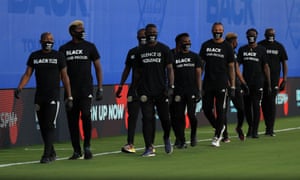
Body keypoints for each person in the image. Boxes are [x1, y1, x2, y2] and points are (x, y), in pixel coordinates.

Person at [14, 32, 73, 163]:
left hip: (53, 96)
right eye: (46, 39)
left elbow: (65, 77)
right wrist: (20, 87)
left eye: (51, 39)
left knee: (50, 124)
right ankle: (52, 152)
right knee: (43, 125)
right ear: (40, 41)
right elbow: (28, 74)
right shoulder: (34, 56)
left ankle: (46, 155)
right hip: (39, 96)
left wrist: (69, 97)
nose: (48, 41)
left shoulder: (58, 56)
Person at [59, 20, 104, 160]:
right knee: (72, 121)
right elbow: (62, 72)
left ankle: (87, 147)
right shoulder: (64, 49)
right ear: (72, 32)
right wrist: (68, 94)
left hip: (86, 89)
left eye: (83, 29)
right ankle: (76, 150)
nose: (82, 31)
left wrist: (100, 87)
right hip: (70, 91)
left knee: (86, 115)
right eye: (79, 29)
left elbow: (98, 67)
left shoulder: (90, 47)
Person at [134, 23, 174, 157]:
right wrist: (134, 87)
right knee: (147, 118)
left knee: (165, 119)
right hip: (145, 91)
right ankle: (149, 147)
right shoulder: (140, 51)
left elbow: (169, 69)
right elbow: (137, 72)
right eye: (149, 32)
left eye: (154, 32)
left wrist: (171, 86)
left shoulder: (164, 49)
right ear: (145, 34)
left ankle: (166, 137)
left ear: (157, 33)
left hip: (161, 90)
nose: (152, 34)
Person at [199, 22, 236, 147]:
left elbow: (231, 67)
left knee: (221, 111)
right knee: (206, 109)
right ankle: (219, 128)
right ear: (212, 31)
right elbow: (201, 66)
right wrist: (198, 82)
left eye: (219, 30)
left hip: (222, 83)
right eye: (215, 29)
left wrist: (233, 86)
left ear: (223, 31)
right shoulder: (206, 45)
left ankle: (217, 137)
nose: (217, 31)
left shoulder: (227, 47)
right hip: (208, 83)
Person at [115, 28, 146, 153]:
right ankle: (130, 144)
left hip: (149, 89)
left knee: (147, 117)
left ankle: (150, 144)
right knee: (132, 116)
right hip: (134, 89)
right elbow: (127, 69)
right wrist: (121, 86)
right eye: (140, 36)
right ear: (137, 37)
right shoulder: (132, 52)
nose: (142, 38)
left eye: (144, 35)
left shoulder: (154, 52)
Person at [237, 28, 271, 138]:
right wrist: (241, 80)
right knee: (247, 107)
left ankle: (255, 130)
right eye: (249, 35)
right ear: (246, 36)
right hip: (246, 83)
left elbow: (266, 67)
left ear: (256, 36)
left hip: (258, 82)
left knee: (256, 106)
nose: (251, 37)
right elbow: (237, 65)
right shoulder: (242, 49)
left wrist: (269, 83)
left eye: (253, 35)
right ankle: (250, 127)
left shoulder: (261, 50)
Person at [172, 33, 202, 148]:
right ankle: (182, 140)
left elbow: (198, 74)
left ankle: (193, 134)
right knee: (179, 116)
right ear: (179, 44)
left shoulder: (195, 57)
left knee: (191, 115)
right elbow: (172, 75)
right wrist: (172, 89)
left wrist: (199, 90)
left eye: (188, 41)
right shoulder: (174, 58)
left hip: (192, 90)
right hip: (179, 91)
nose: (187, 43)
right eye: (184, 42)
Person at [258, 28, 288, 137]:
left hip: (275, 79)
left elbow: (284, 62)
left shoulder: (279, 46)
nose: (271, 35)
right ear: (265, 35)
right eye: (269, 34)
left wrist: (284, 79)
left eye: (273, 34)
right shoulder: (260, 46)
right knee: (264, 104)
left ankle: (270, 128)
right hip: (261, 79)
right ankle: (267, 126)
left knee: (271, 103)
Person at [224, 33, 249, 141]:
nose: (237, 43)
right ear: (233, 42)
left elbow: (236, 69)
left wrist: (243, 83)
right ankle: (224, 135)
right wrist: (229, 84)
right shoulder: (223, 51)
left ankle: (238, 127)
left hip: (236, 84)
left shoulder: (234, 53)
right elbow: (223, 70)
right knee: (223, 111)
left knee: (241, 109)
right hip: (225, 85)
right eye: (235, 41)